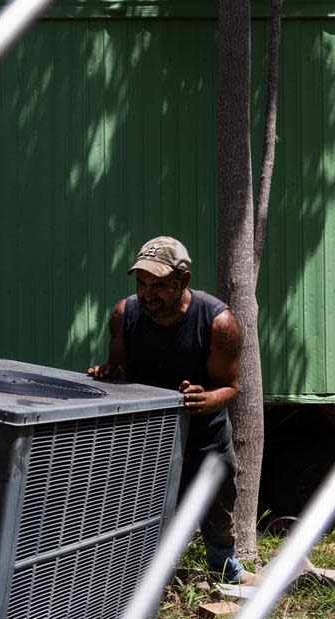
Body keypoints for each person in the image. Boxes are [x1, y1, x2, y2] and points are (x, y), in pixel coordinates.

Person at [88, 236, 254, 584]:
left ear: (184, 280)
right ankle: (134, 576)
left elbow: (231, 388)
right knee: (138, 507)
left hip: (203, 435)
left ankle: (224, 567)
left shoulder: (218, 323)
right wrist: (108, 374)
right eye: (142, 284)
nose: (148, 294)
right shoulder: (125, 315)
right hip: (146, 434)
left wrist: (204, 400)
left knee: (217, 505)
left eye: (160, 285)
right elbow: (120, 370)